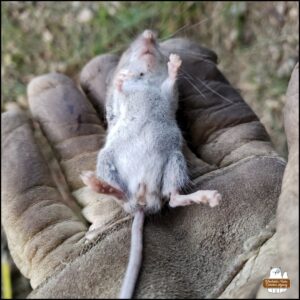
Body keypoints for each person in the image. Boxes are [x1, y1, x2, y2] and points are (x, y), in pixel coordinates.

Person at [1, 38, 298, 299]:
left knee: (175, 161)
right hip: (131, 163)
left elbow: (169, 96)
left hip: (154, 163)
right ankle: (117, 191)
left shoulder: (161, 87)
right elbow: (120, 101)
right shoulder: (127, 84)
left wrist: (171, 74)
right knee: (106, 158)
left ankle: (177, 195)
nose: (148, 45)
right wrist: (282, 282)